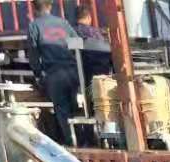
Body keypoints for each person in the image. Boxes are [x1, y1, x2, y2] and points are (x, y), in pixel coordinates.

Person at [25, 0, 80, 143]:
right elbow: (78, 45)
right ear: (50, 6)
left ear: (34, 8)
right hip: (72, 71)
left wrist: (38, 74)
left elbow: (33, 54)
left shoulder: (34, 26)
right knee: (75, 107)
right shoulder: (63, 23)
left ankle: (72, 144)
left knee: (62, 109)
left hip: (54, 74)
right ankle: (85, 140)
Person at [74, 7, 114, 80]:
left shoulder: (70, 32)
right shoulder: (94, 32)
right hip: (97, 72)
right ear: (89, 17)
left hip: (78, 74)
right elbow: (104, 49)